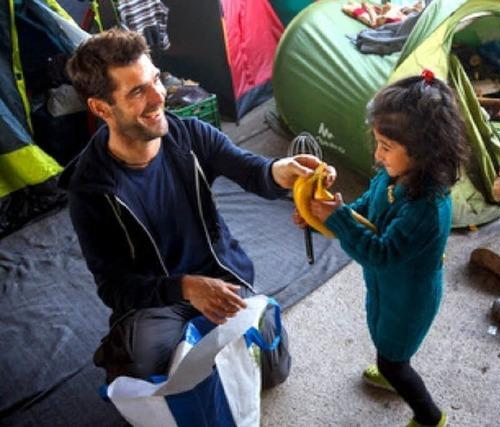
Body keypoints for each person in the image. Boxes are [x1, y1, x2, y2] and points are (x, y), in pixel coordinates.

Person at [60, 29, 331, 386]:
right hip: (159, 300)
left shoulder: (190, 135)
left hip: (221, 276)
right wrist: (185, 287)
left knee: (273, 371)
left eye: (155, 79)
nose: (159, 97)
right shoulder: (90, 189)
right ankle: (136, 346)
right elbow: (114, 288)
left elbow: (253, 171)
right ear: (100, 108)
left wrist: (285, 171)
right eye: (137, 91)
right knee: (140, 373)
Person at [296, 70, 468, 427]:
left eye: (386, 147)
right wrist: (327, 216)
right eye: (377, 142)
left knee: (395, 359)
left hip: (409, 300)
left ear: (423, 151)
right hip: (386, 289)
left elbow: (380, 253)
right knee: (381, 334)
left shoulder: (427, 210)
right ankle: (391, 368)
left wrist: (340, 220)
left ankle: (429, 416)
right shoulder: (393, 176)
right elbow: (367, 209)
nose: (377, 155)